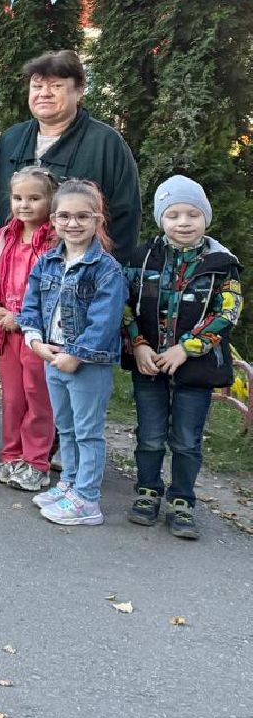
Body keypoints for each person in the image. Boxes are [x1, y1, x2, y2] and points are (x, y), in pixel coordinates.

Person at [124, 176, 242, 541]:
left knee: (187, 439)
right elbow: (124, 305)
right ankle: (147, 492)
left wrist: (187, 347)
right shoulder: (141, 258)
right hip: (149, 364)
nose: (184, 222)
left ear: (206, 217)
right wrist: (139, 344)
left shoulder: (223, 264)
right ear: (162, 219)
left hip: (196, 366)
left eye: (193, 214)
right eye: (174, 214)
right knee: (150, 435)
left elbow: (228, 312)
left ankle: (182, 501)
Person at [19, 179, 128, 526]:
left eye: (83, 216)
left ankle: (88, 499)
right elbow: (30, 305)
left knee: (87, 431)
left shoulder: (107, 270)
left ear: (98, 220)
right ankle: (68, 484)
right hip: (53, 356)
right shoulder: (47, 262)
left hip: (87, 365)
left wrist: (76, 355)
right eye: (64, 216)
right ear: (52, 220)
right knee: (64, 427)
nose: (73, 223)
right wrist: (34, 340)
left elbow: (105, 321)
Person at [0, 50, 142, 262]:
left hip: (79, 275)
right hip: (11, 277)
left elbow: (126, 217)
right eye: (37, 86)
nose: (44, 93)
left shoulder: (106, 144)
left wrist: (104, 274)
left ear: (79, 91)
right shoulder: (11, 139)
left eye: (56, 86)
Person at [0, 166, 59, 492]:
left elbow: (58, 290)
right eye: (18, 197)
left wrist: (24, 317)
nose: (24, 204)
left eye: (34, 197)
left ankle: (36, 462)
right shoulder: (3, 237)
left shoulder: (55, 240)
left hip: (40, 337)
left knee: (37, 398)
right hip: (7, 333)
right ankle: (11, 457)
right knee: (13, 398)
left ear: (50, 200)